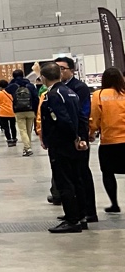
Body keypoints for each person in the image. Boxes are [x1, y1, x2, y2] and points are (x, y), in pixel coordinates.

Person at [40, 62, 90, 233]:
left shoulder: (53, 95)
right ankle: (81, 215)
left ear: (43, 78)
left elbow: (62, 120)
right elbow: (82, 117)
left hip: (61, 144)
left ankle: (72, 220)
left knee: (64, 182)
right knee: (77, 179)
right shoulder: (71, 92)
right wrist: (81, 138)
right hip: (74, 144)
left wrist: (71, 137)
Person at [55, 55, 97, 221]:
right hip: (65, 138)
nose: (59, 71)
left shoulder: (79, 88)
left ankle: (89, 212)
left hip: (79, 136)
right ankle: (75, 211)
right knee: (70, 176)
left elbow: (83, 113)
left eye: (62, 68)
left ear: (71, 70)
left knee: (82, 173)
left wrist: (81, 136)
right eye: (56, 68)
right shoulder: (57, 88)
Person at [91, 66, 125, 214]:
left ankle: (114, 204)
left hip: (109, 141)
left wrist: (91, 132)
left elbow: (95, 117)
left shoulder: (98, 95)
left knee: (107, 172)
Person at [7, 68, 39, 156]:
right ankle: (27, 148)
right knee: (28, 130)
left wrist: (12, 81)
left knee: (22, 130)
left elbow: (7, 90)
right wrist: (36, 110)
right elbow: (36, 98)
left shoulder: (13, 86)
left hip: (19, 111)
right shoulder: (30, 85)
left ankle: (27, 148)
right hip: (30, 110)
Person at [0, 82, 16, 147]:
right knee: (13, 126)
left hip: (3, 112)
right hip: (12, 112)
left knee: (6, 127)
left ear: (0, 86)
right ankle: (14, 139)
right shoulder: (11, 92)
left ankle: (9, 140)